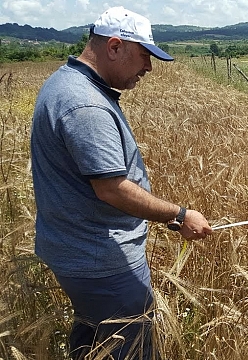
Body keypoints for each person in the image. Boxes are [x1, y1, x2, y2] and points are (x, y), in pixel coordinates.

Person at [30, 7, 213, 359]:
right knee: (133, 349)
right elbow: (111, 188)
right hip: (101, 262)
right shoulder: (85, 104)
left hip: (81, 253)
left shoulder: (66, 83)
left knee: (94, 343)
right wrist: (180, 214)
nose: (148, 67)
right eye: (145, 55)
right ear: (115, 47)